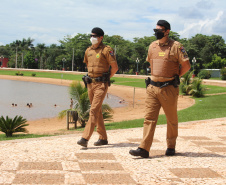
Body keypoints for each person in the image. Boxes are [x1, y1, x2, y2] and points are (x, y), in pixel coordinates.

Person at [129, 20, 191, 158]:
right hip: (152, 88)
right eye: (155, 30)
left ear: (167, 31)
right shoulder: (152, 46)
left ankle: (170, 146)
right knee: (149, 118)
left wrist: (176, 76)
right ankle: (144, 148)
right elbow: (151, 63)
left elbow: (186, 65)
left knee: (171, 119)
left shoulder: (176, 46)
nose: (156, 32)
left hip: (168, 88)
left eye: (159, 30)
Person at [77, 27, 118, 147]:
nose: (92, 38)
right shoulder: (88, 50)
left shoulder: (107, 50)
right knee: (98, 111)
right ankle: (103, 138)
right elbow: (88, 66)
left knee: (93, 110)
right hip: (90, 84)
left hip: (101, 84)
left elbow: (115, 67)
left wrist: (106, 79)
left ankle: (85, 138)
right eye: (91, 36)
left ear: (101, 38)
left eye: (95, 36)